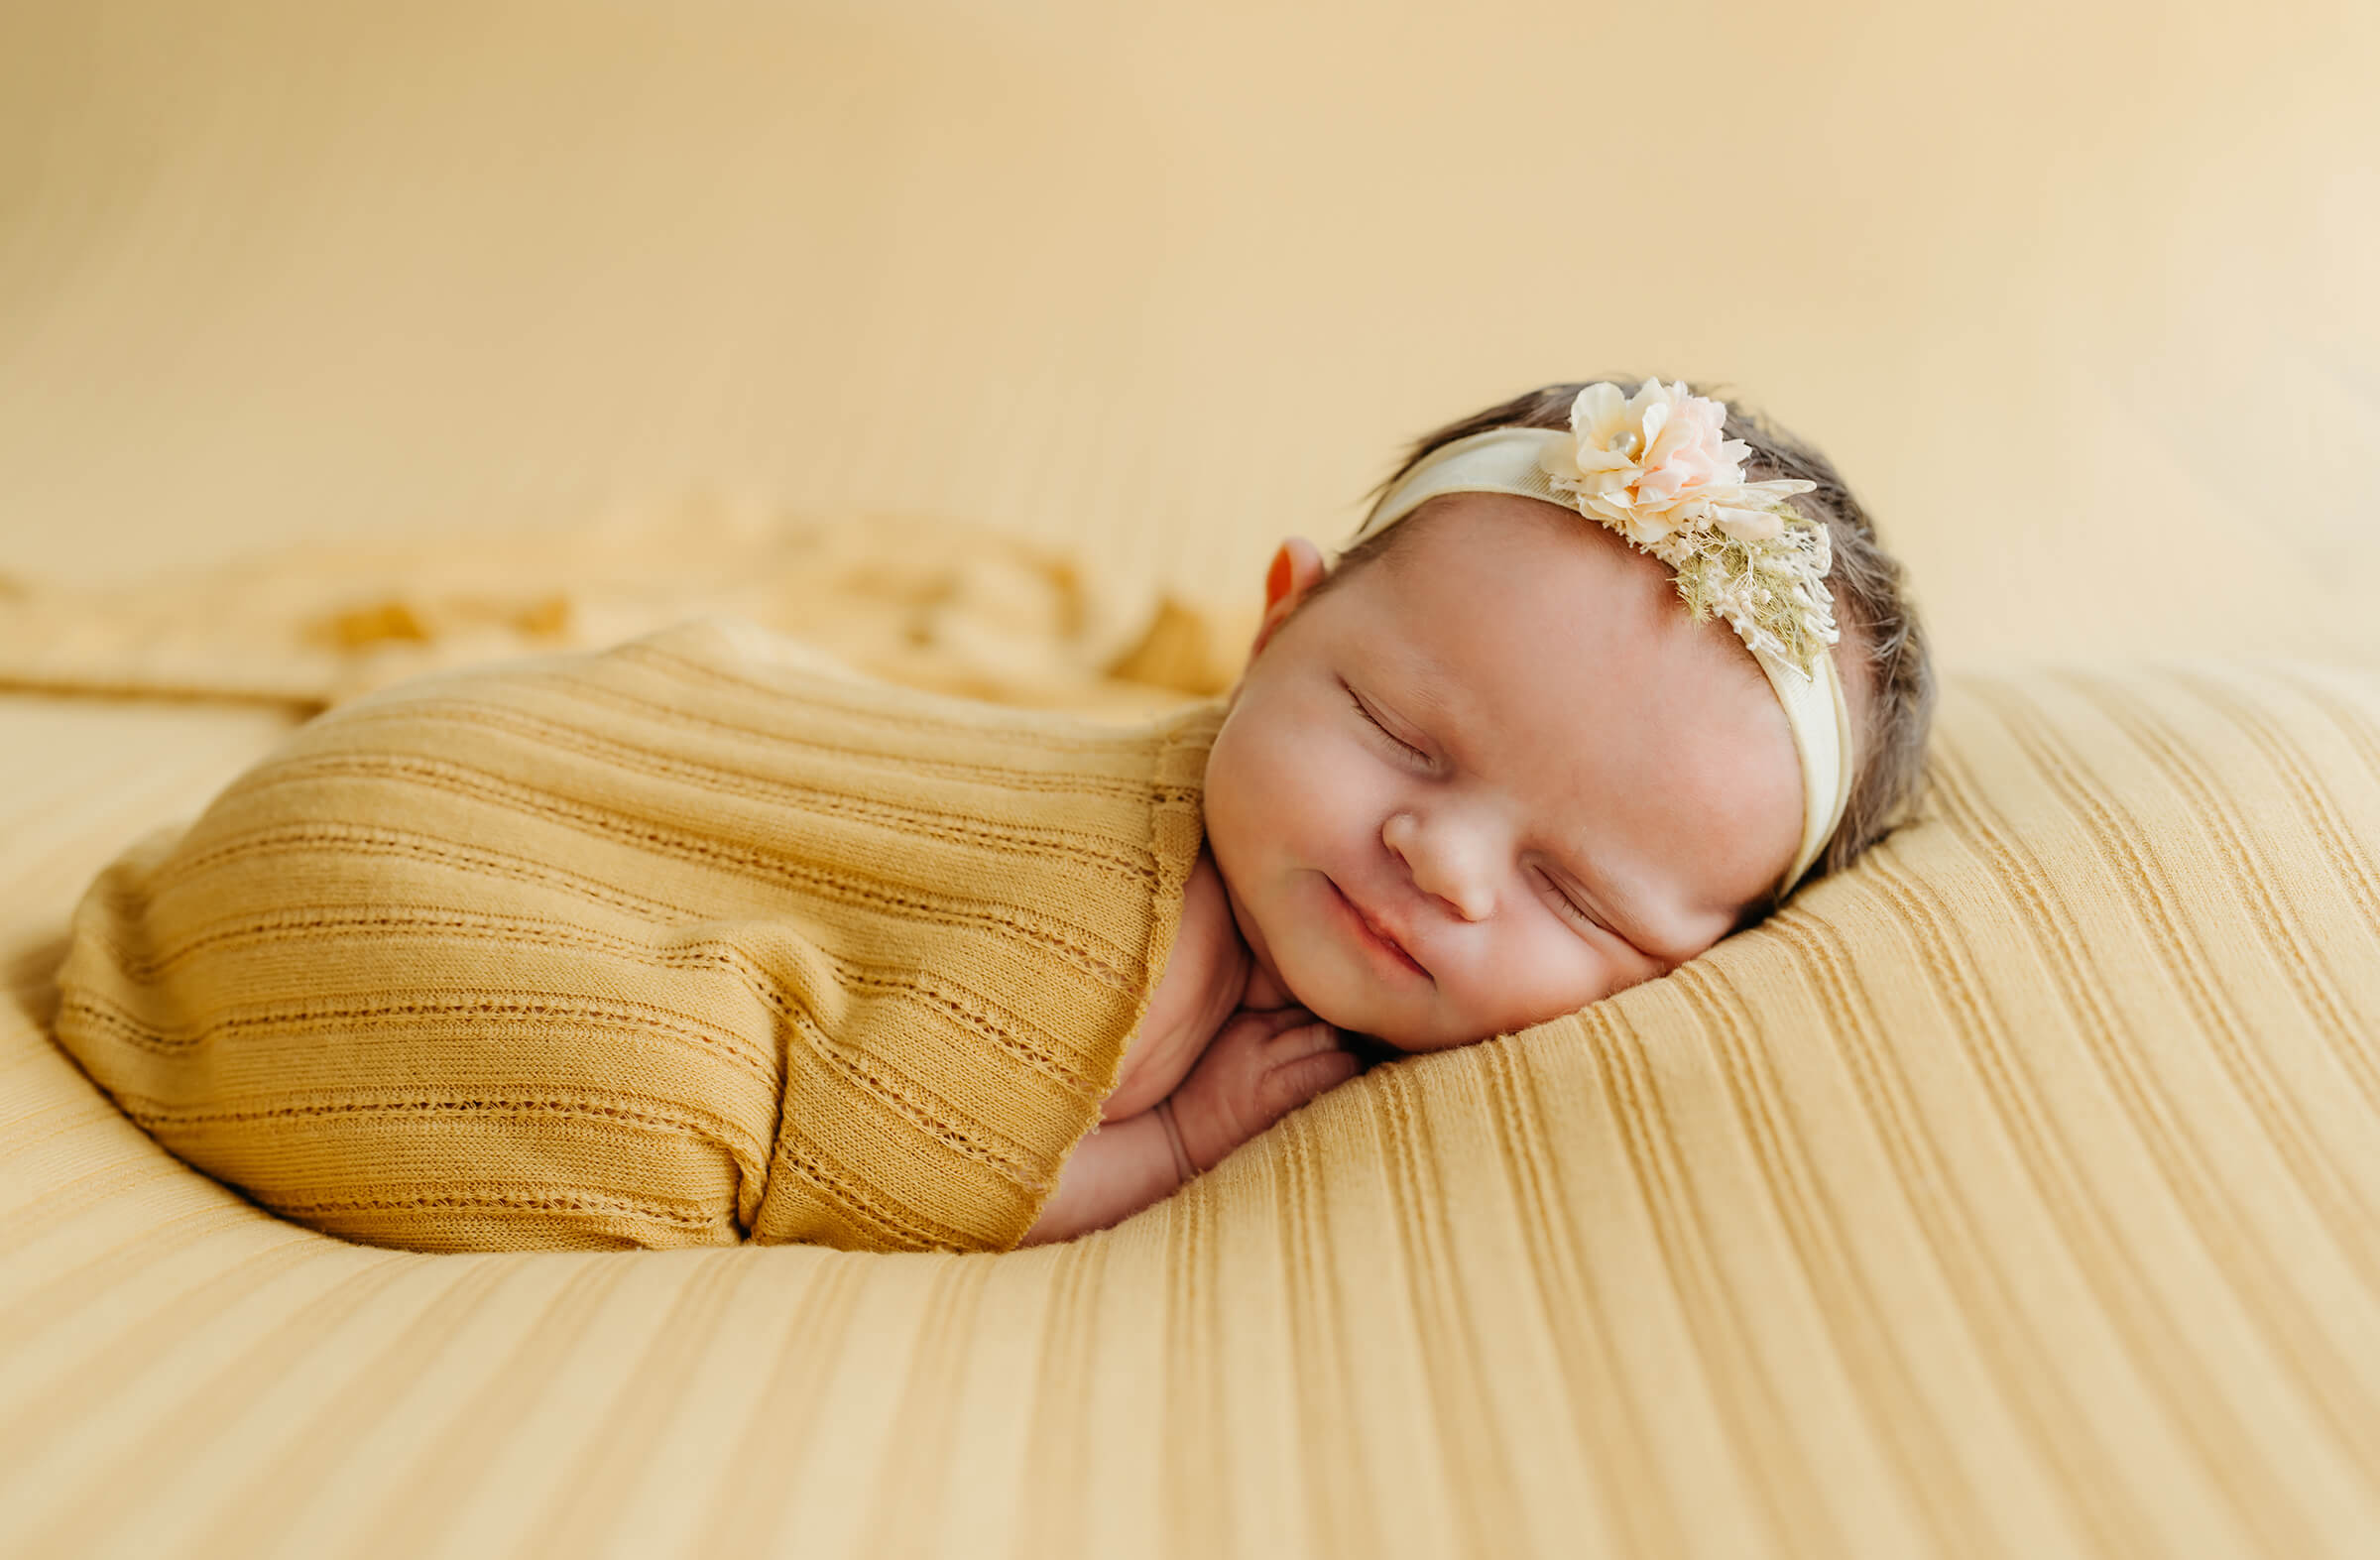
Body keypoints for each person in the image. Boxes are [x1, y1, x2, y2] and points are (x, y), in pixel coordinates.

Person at [52, 379, 1932, 1254]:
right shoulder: (1130, 945)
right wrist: (1178, 1130)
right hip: (381, 852)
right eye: (1393, 733)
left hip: (396, 794)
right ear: (1275, 618)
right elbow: (900, 1156)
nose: (1433, 858)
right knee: (667, 1098)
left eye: (1573, 892)